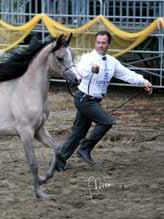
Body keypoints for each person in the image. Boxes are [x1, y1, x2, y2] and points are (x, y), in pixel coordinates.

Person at [55, 30, 153, 171]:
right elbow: (80, 70)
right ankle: (84, 149)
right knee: (106, 121)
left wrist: (143, 82)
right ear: (95, 43)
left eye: (103, 43)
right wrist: (91, 69)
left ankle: (59, 162)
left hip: (93, 100)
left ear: (108, 44)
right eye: (98, 42)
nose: (101, 45)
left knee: (78, 133)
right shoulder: (88, 58)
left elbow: (127, 74)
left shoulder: (112, 62)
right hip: (84, 99)